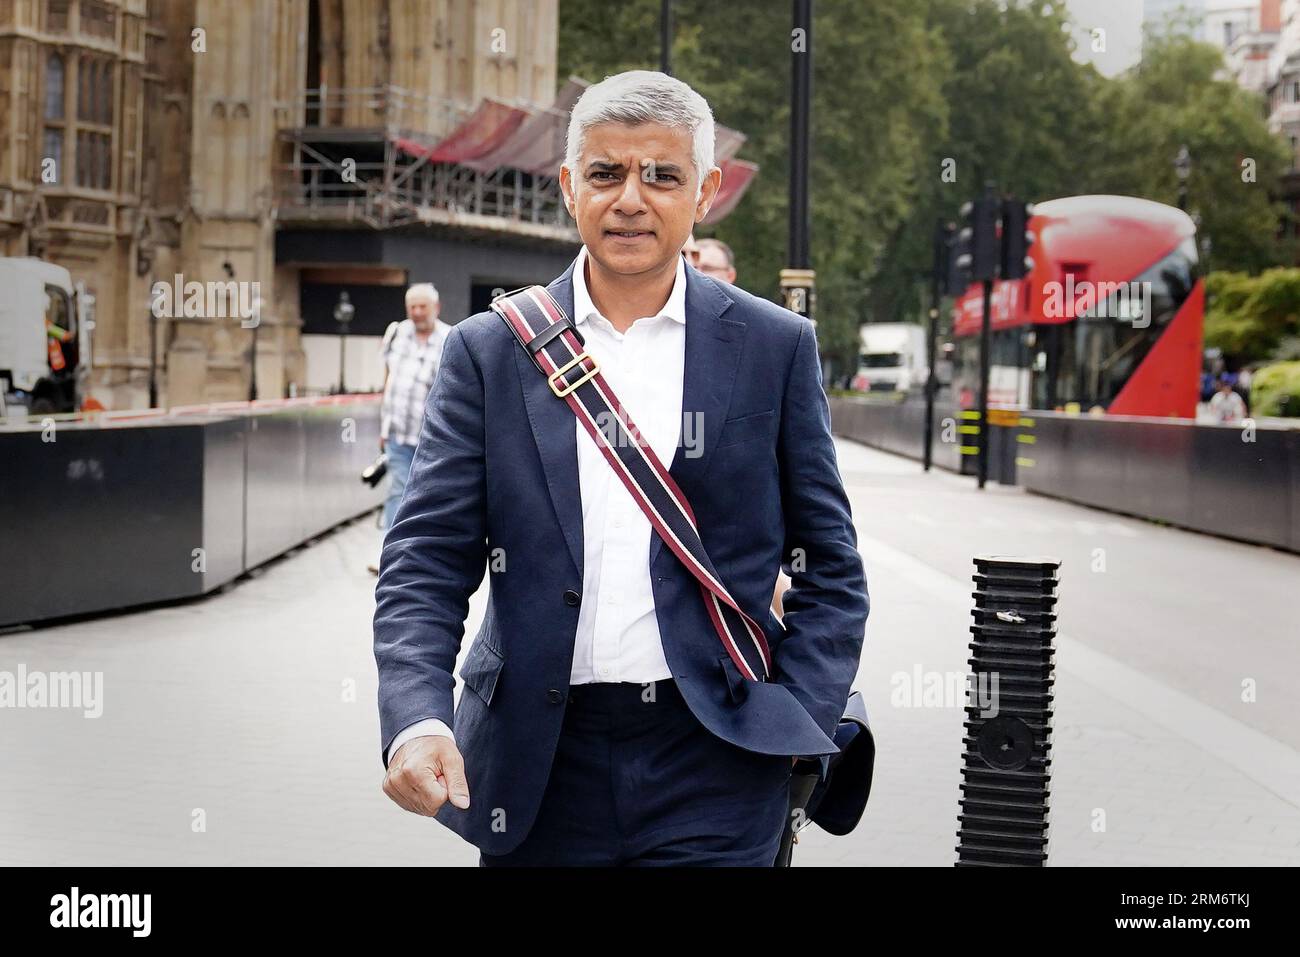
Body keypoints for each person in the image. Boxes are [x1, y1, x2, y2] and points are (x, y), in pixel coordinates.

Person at [374, 70, 868, 866]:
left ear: (703, 192)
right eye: (606, 173)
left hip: (716, 759)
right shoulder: (489, 353)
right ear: (570, 186)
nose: (631, 198)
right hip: (537, 765)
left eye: (661, 175)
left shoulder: (776, 348)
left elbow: (832, 565)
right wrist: (416, 716)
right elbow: (424, 562)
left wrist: (791, 720)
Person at [370, 283, 449, 575]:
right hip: (397, 432)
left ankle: (423, 557)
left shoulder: (450, 338)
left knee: (430, 496)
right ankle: (390, 557)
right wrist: (383, 425)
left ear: (436, 308)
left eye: (422, 307)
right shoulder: (397, 333)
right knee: (397, 492)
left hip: (432, 437)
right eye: (412, 307)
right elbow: (388, 377)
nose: (416, 313)